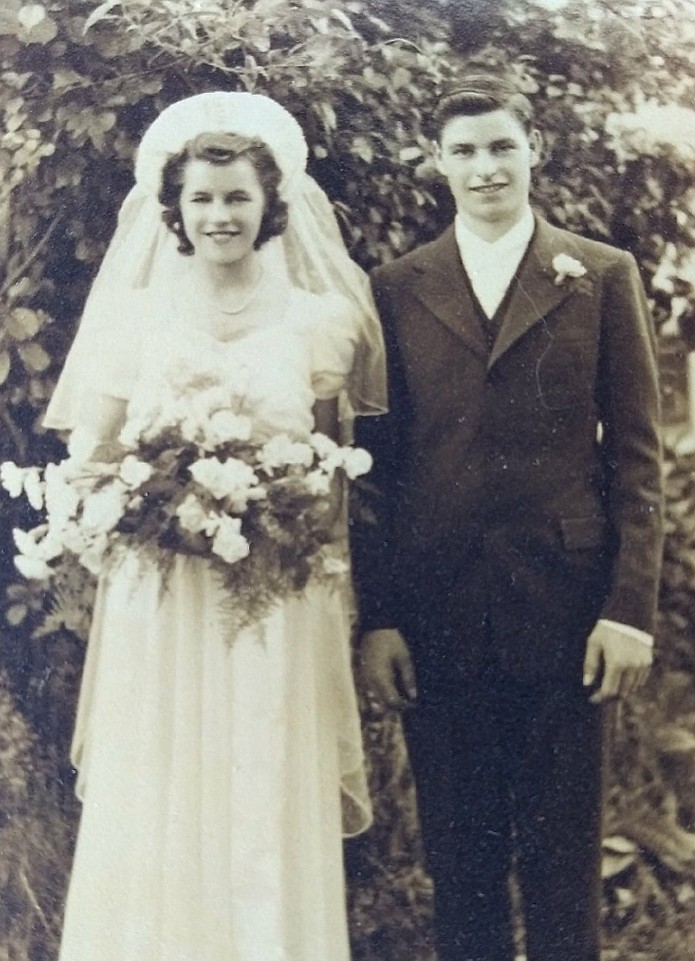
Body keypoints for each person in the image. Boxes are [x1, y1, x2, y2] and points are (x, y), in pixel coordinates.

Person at [43, 91, 386, 961]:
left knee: (261, 783)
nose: (219, 214)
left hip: (271, 600)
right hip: (161, 607)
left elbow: (328, 476)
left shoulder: (322, 324)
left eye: (236, 196)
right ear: (176, 210)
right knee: (163, 786)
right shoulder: (132, 316)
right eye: (201, 197)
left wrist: (273, 513)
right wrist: (154, 507)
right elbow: (92, 462)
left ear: (272, 205)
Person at [353, 74, 663, 961]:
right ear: (437, 165)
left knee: (563, 859)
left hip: (567, 607)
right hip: (438, 611)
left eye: (500, 147)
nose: (484, 168)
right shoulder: (397, 286)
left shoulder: (599, 274)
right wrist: (379, 618)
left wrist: (627, 611)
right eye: (464, 152)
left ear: (534, 152)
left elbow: (637, 458)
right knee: (461, 859)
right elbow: (375, 467)